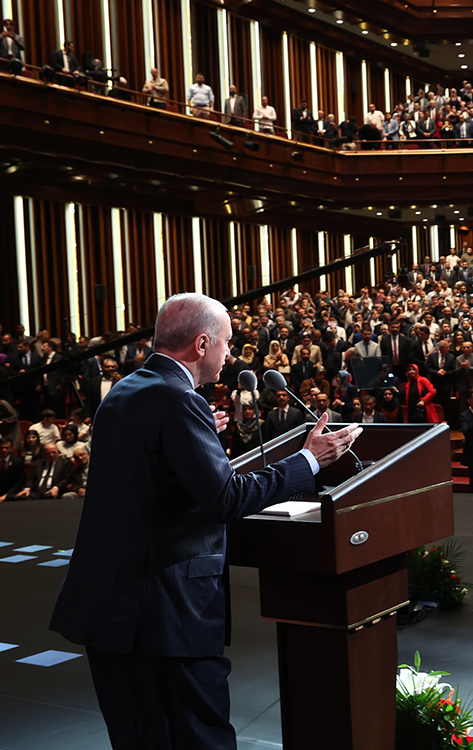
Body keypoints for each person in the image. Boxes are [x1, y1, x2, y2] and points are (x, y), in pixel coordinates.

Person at [49, 292, 357, 750]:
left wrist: (195, 436)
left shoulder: (125, 392)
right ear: (201, 344)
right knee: (199, 739)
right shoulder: (178, 402)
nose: (229, 354)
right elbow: (225, 499)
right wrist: (309, 461)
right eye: (227, 343)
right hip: (166, 617)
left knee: (139, 739)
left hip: (109, 610)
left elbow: (148, 477)